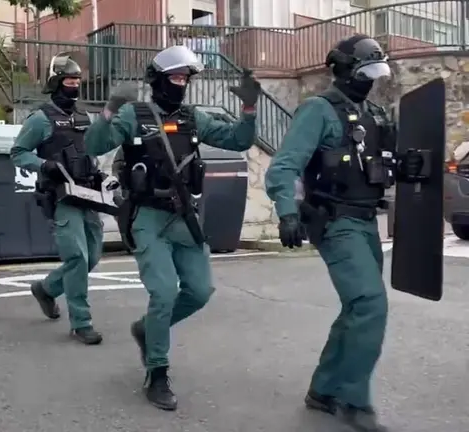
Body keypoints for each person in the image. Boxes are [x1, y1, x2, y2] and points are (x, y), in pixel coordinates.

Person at [83, 45, 260, 410]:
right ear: (158, 79)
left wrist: (248, 109)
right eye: (175, 77)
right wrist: (110, 110)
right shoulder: (135, 114)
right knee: (163, 292)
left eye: (185, 78)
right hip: (147, 217)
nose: (180, 84)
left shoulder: (194, 118)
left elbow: (238, 140)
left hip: (185, 216)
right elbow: (95, 144)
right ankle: (158, 371)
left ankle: (147, 329)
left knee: (200, 290)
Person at [264, 35, 424, 432]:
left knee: (357, 307)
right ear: (341, 69)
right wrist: (287, 213)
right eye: (363, 72)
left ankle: (323, 390)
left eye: (375, 73)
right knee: (370, 303)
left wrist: (409, 167)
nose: (370, 81)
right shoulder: (318, 110)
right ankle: (354, 400)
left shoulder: (371, 112)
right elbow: (283, 167)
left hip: (366, 220)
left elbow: (381, 165)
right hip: (334, 221)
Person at [10, 53, 108, 345]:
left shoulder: (84, 117)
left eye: (77, 81)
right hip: (62, 196)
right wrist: (44, 165)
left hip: (89, 194)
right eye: (68, 81)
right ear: (56, 83)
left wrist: (99, 174)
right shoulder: (40, 119)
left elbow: (89, 151)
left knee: (92, 257)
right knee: (77, 257)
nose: (74, 86)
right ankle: (81, 322)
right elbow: (18, 152)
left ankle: (47, 288)